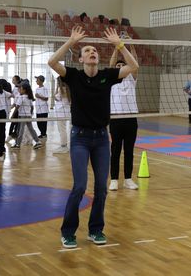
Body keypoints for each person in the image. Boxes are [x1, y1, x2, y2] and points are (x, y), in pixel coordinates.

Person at [48, 25, 138, 249]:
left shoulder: (107, 76)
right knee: (79, 186)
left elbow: (134, 66)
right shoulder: (74, 76)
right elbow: (52, 62)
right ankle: (68, 232)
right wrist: (71, 41)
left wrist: (119, 45)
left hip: (100, 139)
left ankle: (95, 230)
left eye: (95, 51)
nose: (92, 53)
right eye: (87, 51)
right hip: (79, 138)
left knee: (101, 187)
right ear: (80, 59)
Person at [108, 42, 140, 191]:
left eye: (122, 65)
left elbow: (134, 62)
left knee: (129, 151)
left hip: (131, 119)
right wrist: (116, 46)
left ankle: (128, 179)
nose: (119, 67)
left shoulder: (131, 79)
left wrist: (131, 45)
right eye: (117, 66)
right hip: (115, 119)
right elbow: (111, 63)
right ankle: (114, 179)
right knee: (115, 151)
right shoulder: (112, 80)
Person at [11, 82, 43, 150]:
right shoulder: (29, 97)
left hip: (22, 116)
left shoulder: (21, 97)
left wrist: (13, 115)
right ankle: (38, 142)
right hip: (28, 115)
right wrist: (30, 114)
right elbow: (32, 107)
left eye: (21, 89)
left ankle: (17, 144)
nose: (19, 90)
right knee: (31, 129)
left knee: (20, 130)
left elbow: (17, 107)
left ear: (24, 90)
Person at [52, 76, 71, 154]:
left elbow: (55, 98)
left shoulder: (61, 90)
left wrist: (56, 88)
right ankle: (69, 145)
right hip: (67, 111)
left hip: (60, 112)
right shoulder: (69, 89)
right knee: (69, 129)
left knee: (62, 129)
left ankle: (63, 146)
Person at [34, 75, 49, 139]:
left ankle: (44, 134)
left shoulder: (45, 88)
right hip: (38, 109)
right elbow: (37, 98)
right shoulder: (36, 89)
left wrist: (39, 96)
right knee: (38, 122)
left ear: (41, 81)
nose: (36, 81)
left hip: (43, 109)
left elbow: (46, 98)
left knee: (43, 123)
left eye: (37, 80)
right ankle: (42, 133)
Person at [7, 75, 22, 141]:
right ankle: (12, 135)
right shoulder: (15, 88)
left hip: (19, 109)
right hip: (17, 107)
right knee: (15, 123)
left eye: (14, 79)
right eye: (12, 79)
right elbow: (14, 97)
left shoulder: (19, 90)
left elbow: (16, 100)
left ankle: (13, 135)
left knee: (16, 123)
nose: (12, 81)